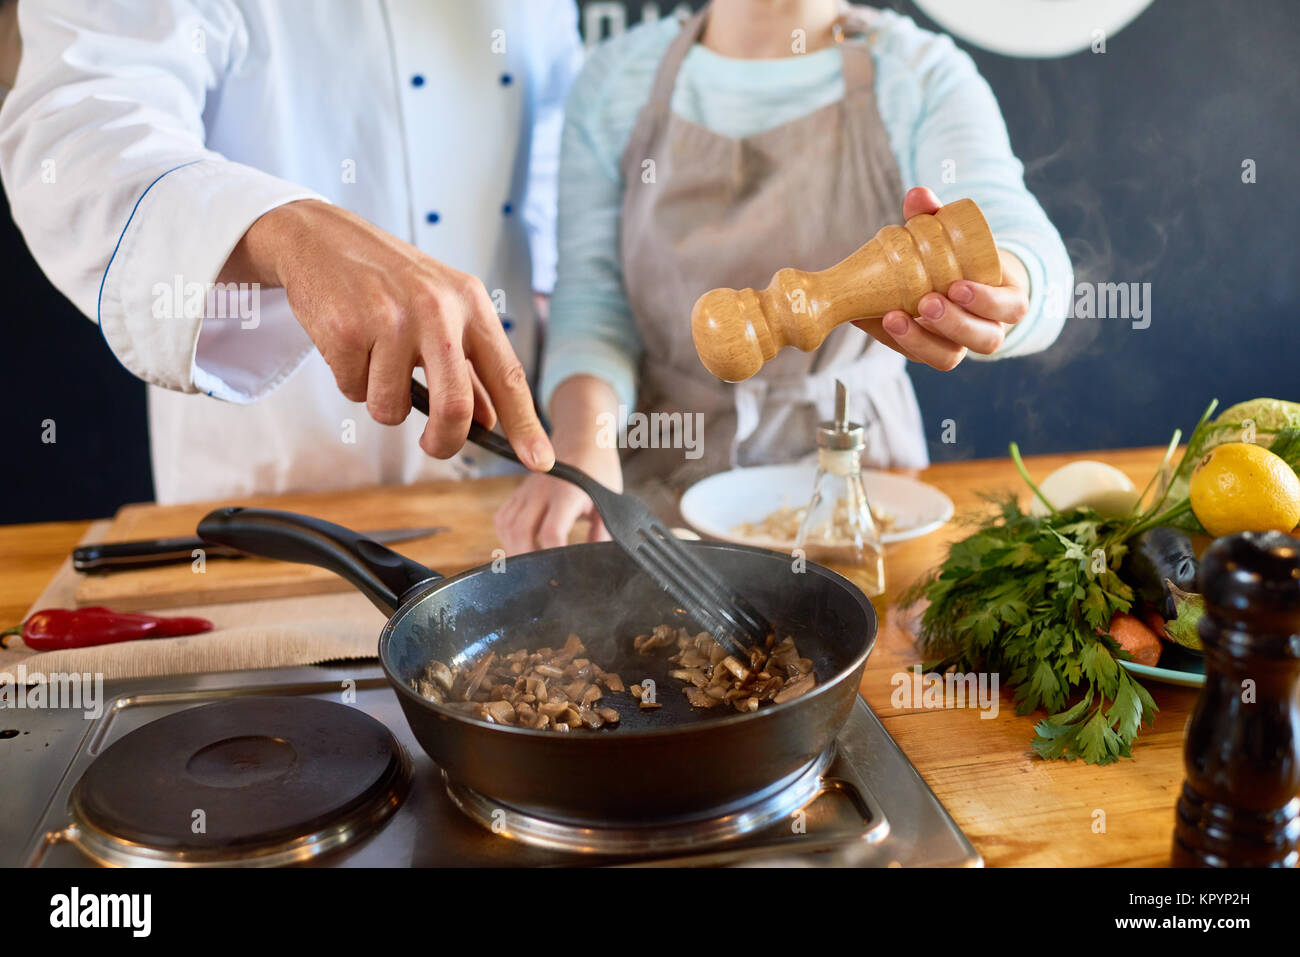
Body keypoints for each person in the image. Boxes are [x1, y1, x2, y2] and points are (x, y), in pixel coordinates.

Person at [495, 0, 1073, 554]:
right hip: (653, 488)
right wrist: (583, 445)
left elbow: (1017, 243)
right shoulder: (614, 79)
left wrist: (1008, 291)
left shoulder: (918, 73)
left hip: (858, 487)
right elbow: (593, 300)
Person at [0, 0, 583, 503]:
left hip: (503, 494)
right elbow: (79, 135)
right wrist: (292, 232)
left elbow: (555, 154)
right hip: (273, 494)